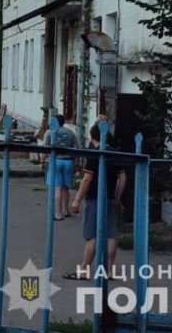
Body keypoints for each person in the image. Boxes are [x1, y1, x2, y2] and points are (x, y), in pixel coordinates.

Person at [64, 120, 127, 280]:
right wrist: (117, 197)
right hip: (111, 198)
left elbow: (87, 179)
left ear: (93, 137)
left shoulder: (95, 154)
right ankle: (109, 271)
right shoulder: (115, 153)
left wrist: (77, 200)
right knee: (111, 235)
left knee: (92, 235)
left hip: (94, 198)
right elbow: (123, 177)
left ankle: (84, 270)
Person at [41, 115, 79, 220]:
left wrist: (42, 161)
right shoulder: (71, 133)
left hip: (55, 161)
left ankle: (58, 213)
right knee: (65, 187)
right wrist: (77, 163)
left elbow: (45, 149)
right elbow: (76, 149)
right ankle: (66, 210)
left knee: (57, 187)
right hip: (68, 161)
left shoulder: (49, 132)